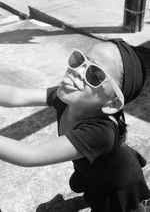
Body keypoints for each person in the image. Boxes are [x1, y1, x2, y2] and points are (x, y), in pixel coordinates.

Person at [0, 38, 149, 212]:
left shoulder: (100, 133)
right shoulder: (66, 96)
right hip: (95, 171)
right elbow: (17, 95)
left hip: (118, 185)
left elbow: (30, 155)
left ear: (112, 103)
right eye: (79, 60)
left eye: (95, 75)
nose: (77, 71)